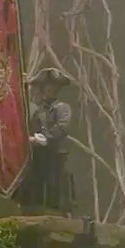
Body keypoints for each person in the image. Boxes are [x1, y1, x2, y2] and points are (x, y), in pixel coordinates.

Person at [15, 68, 76, 214]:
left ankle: (58, 212)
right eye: (46, 85)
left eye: (53, 86)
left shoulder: (62, 108)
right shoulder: (37, 109)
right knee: (33, 186)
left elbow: (61, 128)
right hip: (37, 156)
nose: (49, 89)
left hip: (55, 155)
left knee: (55, 187)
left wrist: (45, 138)